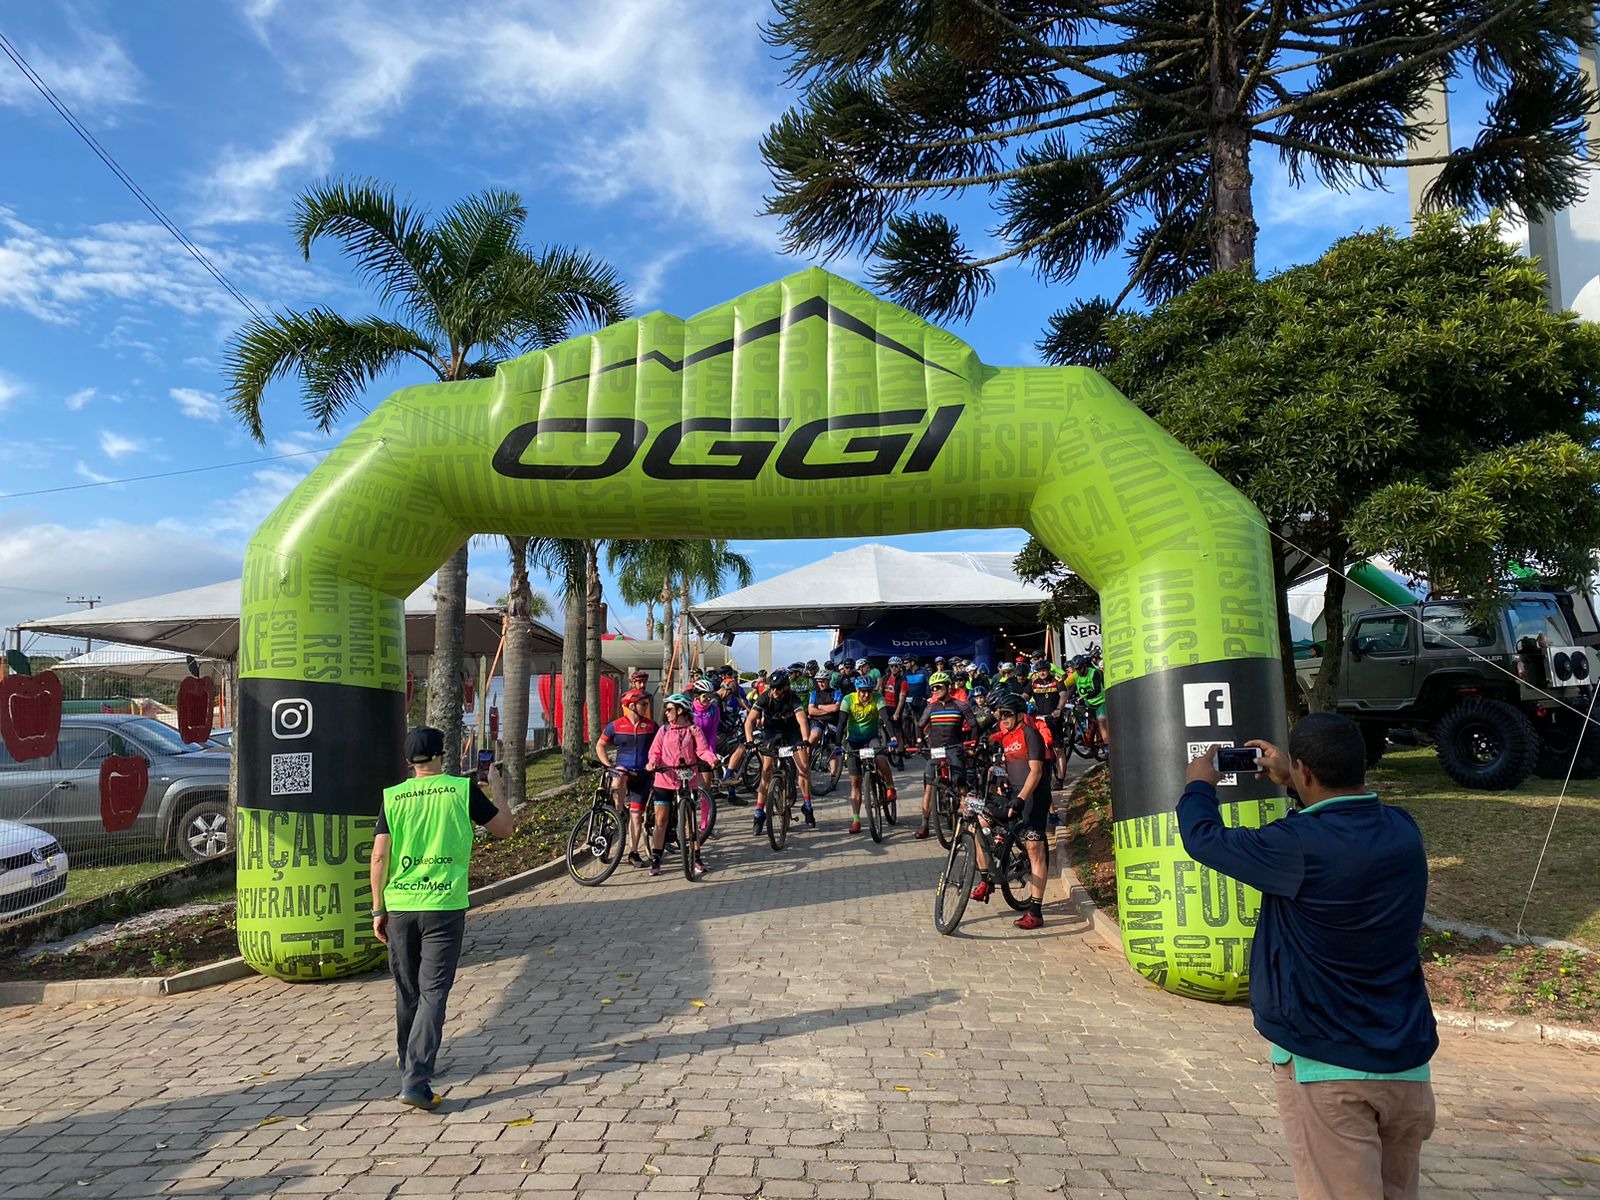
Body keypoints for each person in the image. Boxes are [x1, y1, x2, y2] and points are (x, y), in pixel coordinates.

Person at [1180, 715, 1437, 1200]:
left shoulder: (1294, 844)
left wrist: (1199, 784)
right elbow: (1346, 823)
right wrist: (1294, 781)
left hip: (1328, 1066)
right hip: (1406, 1064)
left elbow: (1203, 839)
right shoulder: (1404, 830)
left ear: (1305, 770)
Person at [371, 726, 514, 1110]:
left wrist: (378, 908)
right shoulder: (460, 790)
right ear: (441, 755)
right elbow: (505, 829)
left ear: (409, 761)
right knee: (433, 993)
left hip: (400, 906)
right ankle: (416, 1080)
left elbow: (379, 855)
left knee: (408, 991)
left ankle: (407, 1059)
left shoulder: (393, 797)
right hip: (443, 906)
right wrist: (497, 787)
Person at [968, 691, 1050, 929]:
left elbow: (1036, 771)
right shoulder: (1006, 736)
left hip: (1033, 796)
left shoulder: (1030, 734)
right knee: (977, 825)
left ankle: (1035, 912)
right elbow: (1010, 767)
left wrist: (1022, 798)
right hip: (1013, 795)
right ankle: (985, 879)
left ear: (1020, 715)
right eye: (1000, 714)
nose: (1002, 718)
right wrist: (1000, 778)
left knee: (1034, 849)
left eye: (1007, 714)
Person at [645, 693, 720, 877]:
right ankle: (656, 858)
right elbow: (655, 752)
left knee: (689, 820)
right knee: (661, 820)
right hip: (664, 779)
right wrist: (652, 763)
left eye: (670, 709)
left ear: (680, 711)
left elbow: (702, 750)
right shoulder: (663, 730)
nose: (666, 712)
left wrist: (712, 759)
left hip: (687, 779)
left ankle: (696, 857)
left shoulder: (694, 730)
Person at [744, 667, 813, 831]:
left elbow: (802, 720)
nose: (775, 691)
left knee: (804, 767)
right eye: (773, 687)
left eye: (779, 688)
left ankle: (807, 805)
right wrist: (749, 741)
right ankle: (759, 813)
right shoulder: (764, 697)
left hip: (792, 731)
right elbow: (749, 721)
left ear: (786, 687)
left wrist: (805, 740)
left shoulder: (792, 697)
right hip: (772, 732)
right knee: (766, 769)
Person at [595, 688, 659, 867]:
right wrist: (608, 765)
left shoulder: (651, 726)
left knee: (637, 816)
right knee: (619, 776)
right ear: (631, 706)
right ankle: (618, 811)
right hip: (622, 771)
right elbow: (600, 745)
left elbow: (661, 745)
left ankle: (633, 853)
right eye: (643, 704)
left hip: (642, 775)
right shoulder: (615, 726)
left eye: (647, 704)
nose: (646, 707)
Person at [839, 675, 896, 834]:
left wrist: (893, 737)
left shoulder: (877, 697)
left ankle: (890, 787)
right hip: (853, 742)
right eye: (863, 691)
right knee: (855, 782)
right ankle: (856, 820)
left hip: (872, 738)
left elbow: (885, 718)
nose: (866, 695)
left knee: (881, 759)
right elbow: (841, 723)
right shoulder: (848, 700)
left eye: (869, 691)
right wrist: (837, 744)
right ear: (857, 690)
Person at [916, 671, 969, 839]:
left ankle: (968, 817)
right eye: (932, 688)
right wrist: (920, 743)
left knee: (961, 784)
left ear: (948, 686)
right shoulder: (931, 707)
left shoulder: (960, 705)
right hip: (936, 750)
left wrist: (972, 744)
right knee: (929, 787)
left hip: (954, 748)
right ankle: (924, 824)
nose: (935, 690)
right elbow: (920, 725)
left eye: (938, 687)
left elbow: (974, 725)